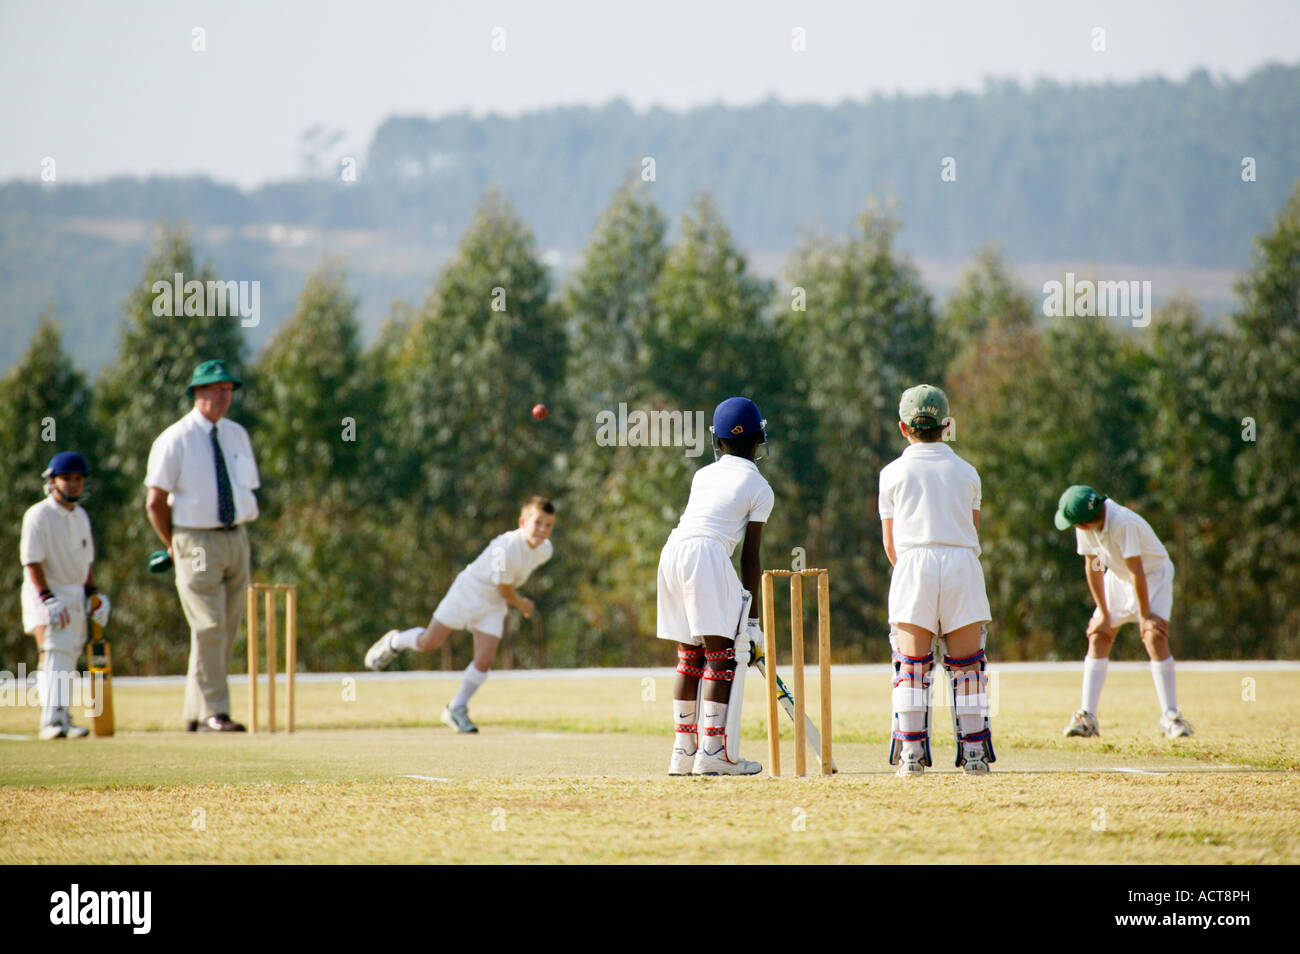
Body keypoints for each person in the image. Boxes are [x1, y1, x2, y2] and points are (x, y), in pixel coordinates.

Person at [879, 384, 994, 777]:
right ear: (947, 425)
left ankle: (911, 755)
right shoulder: (968, 472)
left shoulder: (891, 473)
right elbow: (972, 530)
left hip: (913, 563)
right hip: (962, 562)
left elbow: (890, 544)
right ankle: (975, 754)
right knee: (967, 667)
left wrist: (912, 574)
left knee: (912, 666)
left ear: (902, 427)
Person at [364, 497, 556, 733]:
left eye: (548, 525)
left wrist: (515, 600)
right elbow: (504, 588)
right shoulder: (504, 547)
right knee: (429, 643)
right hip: (469, 591)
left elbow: (505, 588)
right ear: (522, 521)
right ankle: (395, 641)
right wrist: (523, 604)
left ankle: (456, 708)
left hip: (495, 603)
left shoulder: (546, 551)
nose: (542, 530)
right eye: (538, 523)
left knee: (485, 661)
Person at [658, 397, 772, 777]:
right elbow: (750, 557)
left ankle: (683, 751)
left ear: (718, 442)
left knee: (691, 656)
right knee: (720, 656)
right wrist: (753, 620)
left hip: (673, 551)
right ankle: (712, 753)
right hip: (707, 554)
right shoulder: (759, 485)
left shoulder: (702, 475)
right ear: (760, 437)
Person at [145, 360, 259, 733]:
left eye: (228, 390)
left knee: (223, 626)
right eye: (215, 389)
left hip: (236, 536)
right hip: (193, 538)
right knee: (210, 626)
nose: (223, 396)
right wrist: (173, 542)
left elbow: (244, 489)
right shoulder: (174, 438)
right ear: (197, 393)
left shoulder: (237, 434)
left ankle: (195, 713)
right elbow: (155, 501)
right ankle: (216, 712)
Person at [1054, 485, 1192, 739]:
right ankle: (1087, 717)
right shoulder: (1087, 526)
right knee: (1099, 636)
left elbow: (1137, 570)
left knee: (1153, 637)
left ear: (1082, 523)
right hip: (1118, 576)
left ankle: (1171, 717)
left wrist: (1145, 615)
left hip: (1152, 576)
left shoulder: (1122, 523)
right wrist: (1104, 615)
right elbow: (1093, 566)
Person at [20, 452, 110, 739]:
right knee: (53, 651)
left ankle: (61, 716)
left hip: (73, 594)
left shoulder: (81, 516)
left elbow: (86, 564)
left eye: (78, 479)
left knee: (67, 656)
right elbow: (31, 560)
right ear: (51, 481)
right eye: (67, 478)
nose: (73, 484)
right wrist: (48, 598)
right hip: (45, 592)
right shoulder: (38, 515)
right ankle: (52, 721)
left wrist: (94, 595)